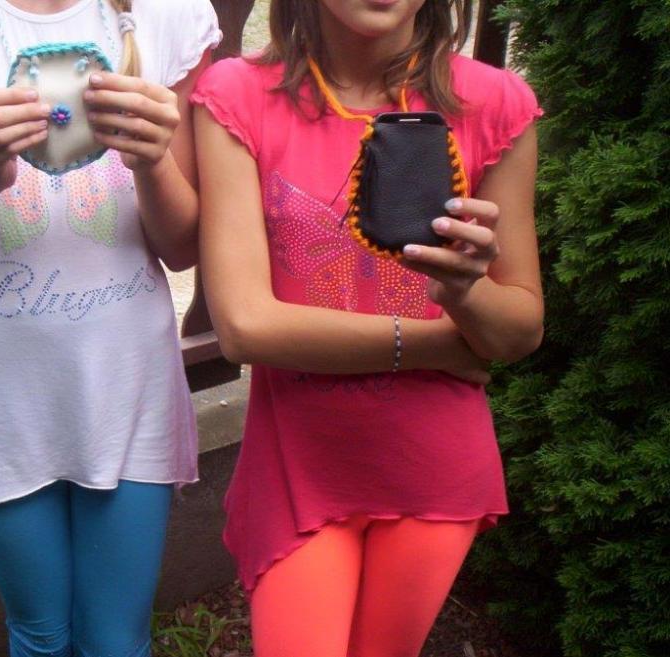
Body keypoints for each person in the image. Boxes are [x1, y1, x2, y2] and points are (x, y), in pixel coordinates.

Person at [0, 1, 221, 655]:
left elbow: (183, 247)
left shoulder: (169, 12)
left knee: (116, 641)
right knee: (41, 635)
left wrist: (152, 162)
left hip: (126, 385)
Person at [192, 1, 543, 655]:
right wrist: (440, 343)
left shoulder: (495, 103)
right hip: (300, 466)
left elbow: (518, 330)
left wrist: (466, 291)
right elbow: (244, 326)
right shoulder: (239, 95)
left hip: (433, 468)